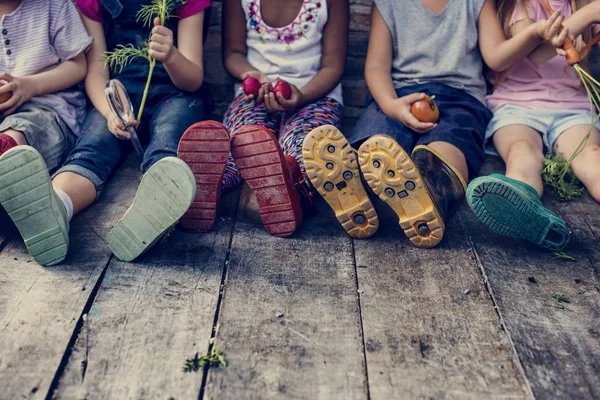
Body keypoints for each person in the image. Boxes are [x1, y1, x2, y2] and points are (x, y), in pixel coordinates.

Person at [303, 0, 568, 248]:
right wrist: (391, 105)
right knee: (378, 137)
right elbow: (376, 67)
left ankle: (431, 187)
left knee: (450, 142)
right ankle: (355, 185)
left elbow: (496, 57)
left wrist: (534, 33)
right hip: (399, 94)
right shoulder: (389, 3)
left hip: (460, 97)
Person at [0, 0, 211, 266]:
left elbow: (192, 79)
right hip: (113, 95)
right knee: (91, 149)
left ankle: (153, 213)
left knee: (167, 143)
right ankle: (56, 208)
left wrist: (171, 56)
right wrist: (110, 112)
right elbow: (96, 71)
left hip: (175, 95)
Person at [177, 0, 348, 238]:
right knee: (243, 141)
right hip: (254, 95)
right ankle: (206, 189)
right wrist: (251, 75)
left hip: (314, 96)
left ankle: (288, 182)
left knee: (305, 145)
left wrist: (303, 96)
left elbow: (333, 67)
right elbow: (233, 54)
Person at [467, 0, 600, 251]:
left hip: (570, 105)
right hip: (517, 105)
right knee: (522, 152)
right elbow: (538, 54)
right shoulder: (521, 6)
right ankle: (522, 210)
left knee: (591, 156)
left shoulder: (582, 3)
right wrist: (589, 15)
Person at [0, 0, 91, 264]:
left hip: (49, 107)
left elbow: (78, 65)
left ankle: (7, 156)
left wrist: (30, 86)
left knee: (21, 134)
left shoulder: (54, 6)